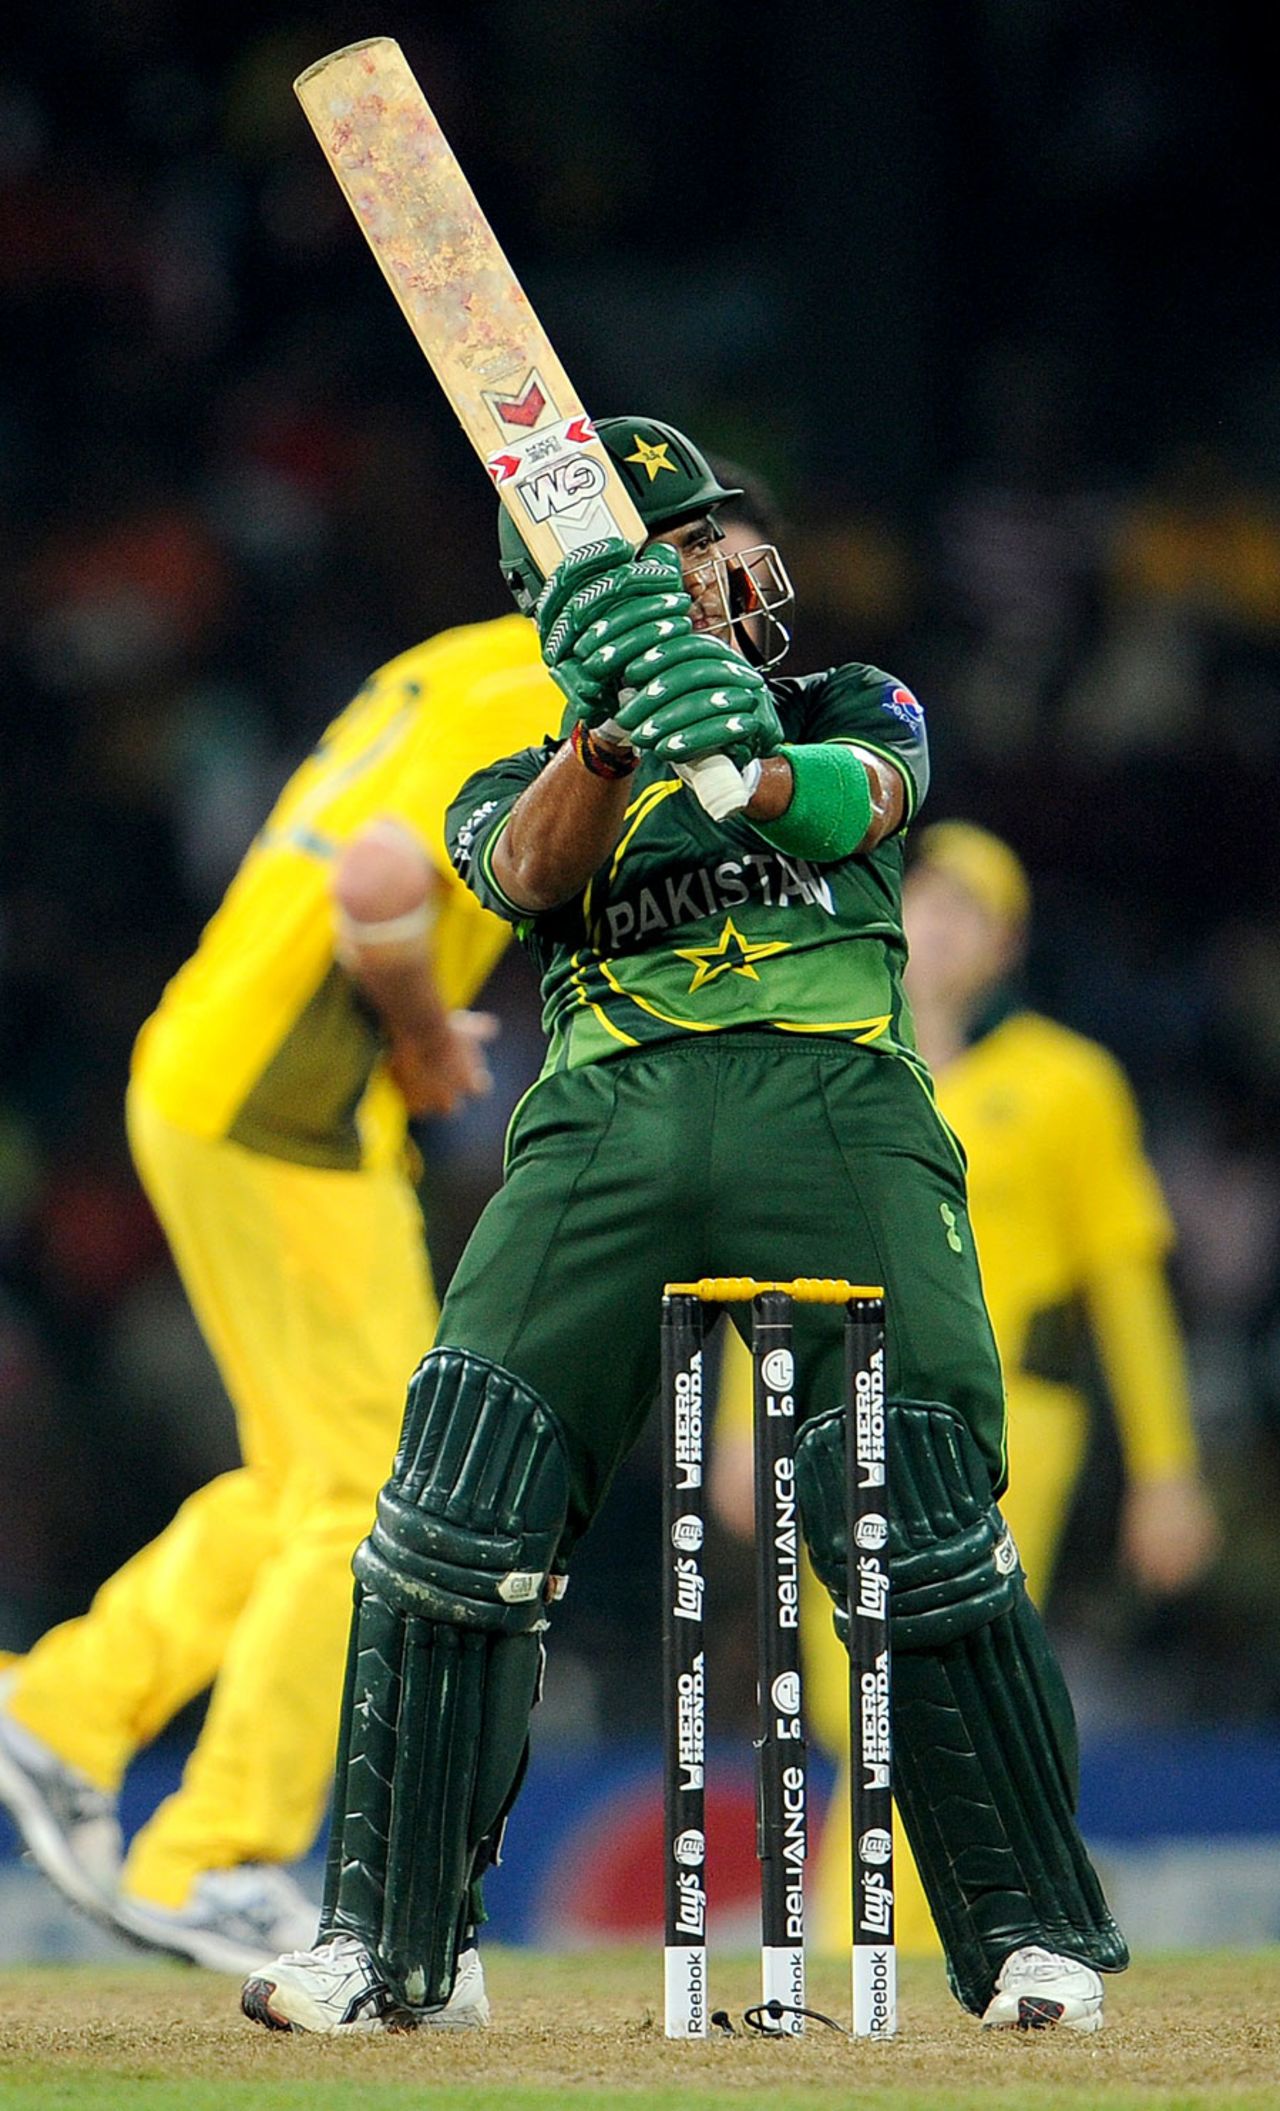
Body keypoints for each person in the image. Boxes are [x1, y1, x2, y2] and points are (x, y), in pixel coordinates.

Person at [241, 416, 1128, 2039]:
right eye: (667, 550)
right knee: (454, 1509)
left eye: (716, 533)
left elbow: (863, 803)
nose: (712, 563)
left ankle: (1025, 1940)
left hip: (834, 1101)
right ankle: (386, 1946)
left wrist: (754, 761)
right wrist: (608, 740)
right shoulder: (528, 765)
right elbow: (516, 876)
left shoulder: (859, 702)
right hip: (610, 1115)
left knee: (909, 1512)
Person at [0, 605, 562, 2003]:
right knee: (374, 1488)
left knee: (311, 1471)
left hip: (236, 1071)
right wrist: (429, 1033)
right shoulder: (550, 681)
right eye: (715, 565)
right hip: (286, 1110)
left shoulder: (463, 653)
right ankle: (213, 1851)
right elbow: (377, 871)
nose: (738, 604)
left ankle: (65, 1708)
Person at [711, 818, 1219, 1957]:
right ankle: (959, 1927)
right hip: (838, 1410)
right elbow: (777, 1261)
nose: (934, 926)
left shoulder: (1065, 1082)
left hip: (1003, 1420)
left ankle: (872, 1944)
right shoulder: (835, 1062)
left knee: (914, 1664)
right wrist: (750, 1424)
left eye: (963, 911)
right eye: (921, 901)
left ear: (1004, 942)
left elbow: (1125, 1288)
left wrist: (1166, 1469)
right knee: (855, 1693)